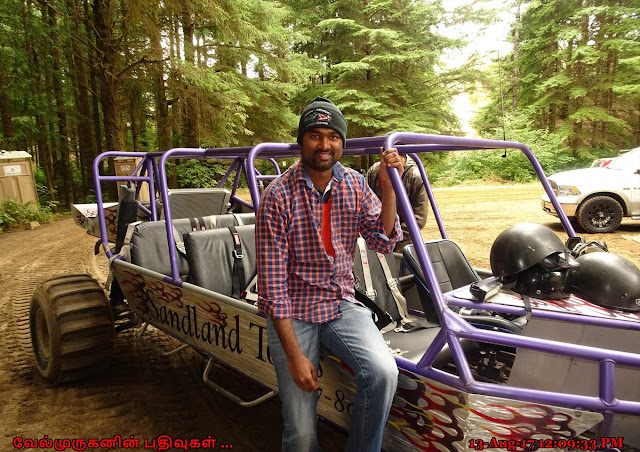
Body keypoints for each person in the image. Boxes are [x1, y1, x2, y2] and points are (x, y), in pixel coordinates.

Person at [256, 97, 403, 452]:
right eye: (315, 136)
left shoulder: (352, 183)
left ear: (342, 142)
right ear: (302, 141)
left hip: (339, 302)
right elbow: (273, 289)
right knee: (302, 432)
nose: (324, 145)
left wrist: (387, 187)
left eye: (333, 137)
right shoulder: (278, 195)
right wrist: (294, 356)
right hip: (293, 310)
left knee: (384, 373)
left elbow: (383, 241)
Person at [367, 154, 428, 251]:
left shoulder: (415, 175)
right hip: (376, 239)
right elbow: (366, 207)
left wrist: (394, 238)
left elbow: (419, 218)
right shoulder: (374, 171)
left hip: (404, 243)